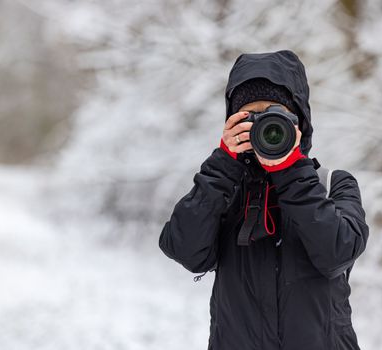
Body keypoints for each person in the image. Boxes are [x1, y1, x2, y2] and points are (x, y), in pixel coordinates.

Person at [158, 50, 370, 350]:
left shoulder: (333, 183)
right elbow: (184, 250)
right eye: (249, 118)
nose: (263, 130)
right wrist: (222, 164)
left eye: (273, 116)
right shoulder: (224, 188)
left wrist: (291, 171)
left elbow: (337, 253)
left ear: (299, 121)